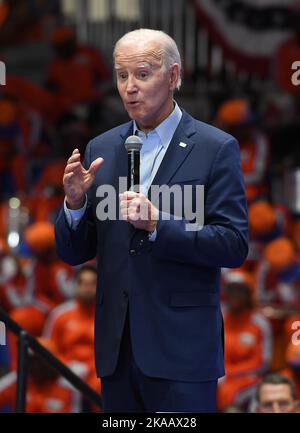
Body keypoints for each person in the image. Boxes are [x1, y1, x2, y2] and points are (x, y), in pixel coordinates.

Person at [55, 28, 248, 413]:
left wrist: (161, 223)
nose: (130, 87)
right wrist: (74, 203)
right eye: (122, 75)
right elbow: (75, 252)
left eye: (142, 74)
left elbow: (233, 243)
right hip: (117, 351)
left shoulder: (215, 148)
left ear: (173, 76)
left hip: (182, 352)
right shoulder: (102, 148)